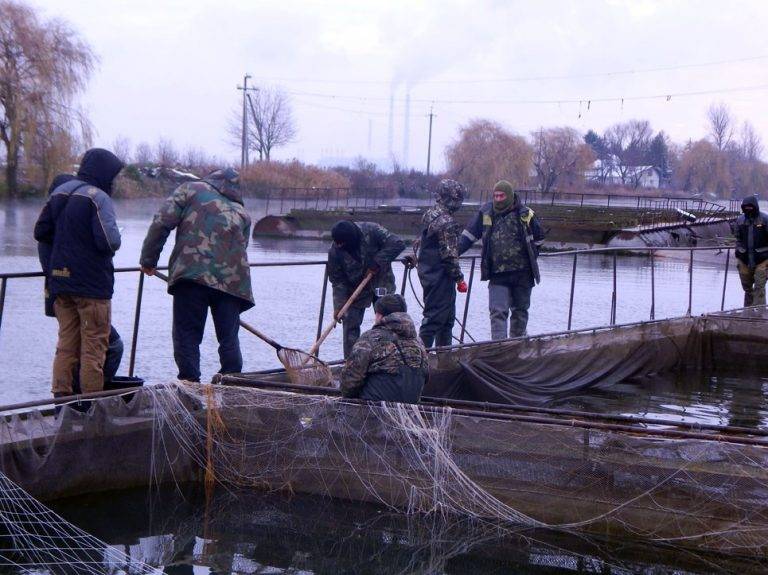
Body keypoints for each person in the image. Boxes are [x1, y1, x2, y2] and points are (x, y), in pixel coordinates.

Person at [139, 168, 254, 382]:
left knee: (187, 336)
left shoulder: (190, 189)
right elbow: (242, 247)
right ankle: (234, 387)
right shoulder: (242, 212)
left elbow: (161, 222)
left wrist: (148, 261)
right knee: (229, 339)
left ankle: (190, 388)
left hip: (192, 276)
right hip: (232, 283)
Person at [33, 149, 124, 397]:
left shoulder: (61, 192)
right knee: (94, 348)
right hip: (92, 287)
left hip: (61, 284)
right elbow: (108, 241)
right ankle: (90, 406)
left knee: (66, 347)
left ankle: (61, 401)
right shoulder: (98, 197)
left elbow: (41, 231)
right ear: (104, 173)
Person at [458, 179, 545, 340]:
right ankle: (499, 348)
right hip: (497, 274)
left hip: (523, 274)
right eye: (495, 196)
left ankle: (517, 346)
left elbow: (539, 239)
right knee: (497, 312)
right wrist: (452, 254)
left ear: (510, 196)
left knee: (520, 311)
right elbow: (468, 237)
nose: (498, 199)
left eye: (501, 196)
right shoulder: (485, 213)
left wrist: (532, 254)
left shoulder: (526, 214)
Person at [328, 220, 405, 358]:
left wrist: (377, 261)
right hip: (355, 289)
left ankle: (389, 358)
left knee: (387, 321)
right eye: (337, 244)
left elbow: (397, 243)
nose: (339, 246)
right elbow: (337, 280)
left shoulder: (372, 230)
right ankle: (352, 363)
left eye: (342, 244)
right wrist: (339, 306)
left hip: (381, 283)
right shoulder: (335, 251)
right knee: (350, 323)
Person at [340, 294, 428, 403]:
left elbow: (350, 380)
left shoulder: (370, 338)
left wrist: (347, 396)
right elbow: (426, 377)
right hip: (412, 405)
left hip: (375, 408)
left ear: (380, 315)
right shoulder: (419, 342)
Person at [414, 179, 468, 348]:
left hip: (427, 273)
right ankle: (421, 361)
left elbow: (421, 243)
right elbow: (449, 255)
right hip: (441, 278)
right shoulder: (447, 223)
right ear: (454, 199)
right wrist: (459, 278)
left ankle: (443, 357)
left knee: (446, 320)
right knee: (434, 320)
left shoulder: (429, 214)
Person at [734, 195, 768, 306]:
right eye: (746, 207)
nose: (748, 209)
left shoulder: (765, 219)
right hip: (744, 258)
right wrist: (738, 251)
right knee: (747, 288)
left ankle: (760, 313)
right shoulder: (740, 221)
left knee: (759, 286)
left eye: (750, 207)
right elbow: (738, 238)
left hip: (763, 258)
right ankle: (748, 311)